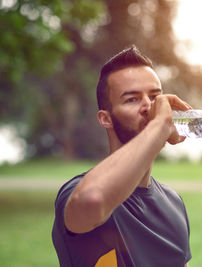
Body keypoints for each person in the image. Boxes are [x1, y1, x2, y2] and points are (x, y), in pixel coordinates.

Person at [52, 45, 193, 267]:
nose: (149, 107)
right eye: (132, 100)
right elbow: (92, 200)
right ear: (105, 119)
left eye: (156, 97)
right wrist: (158, 127)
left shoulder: (174, 203)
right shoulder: (76, 192)